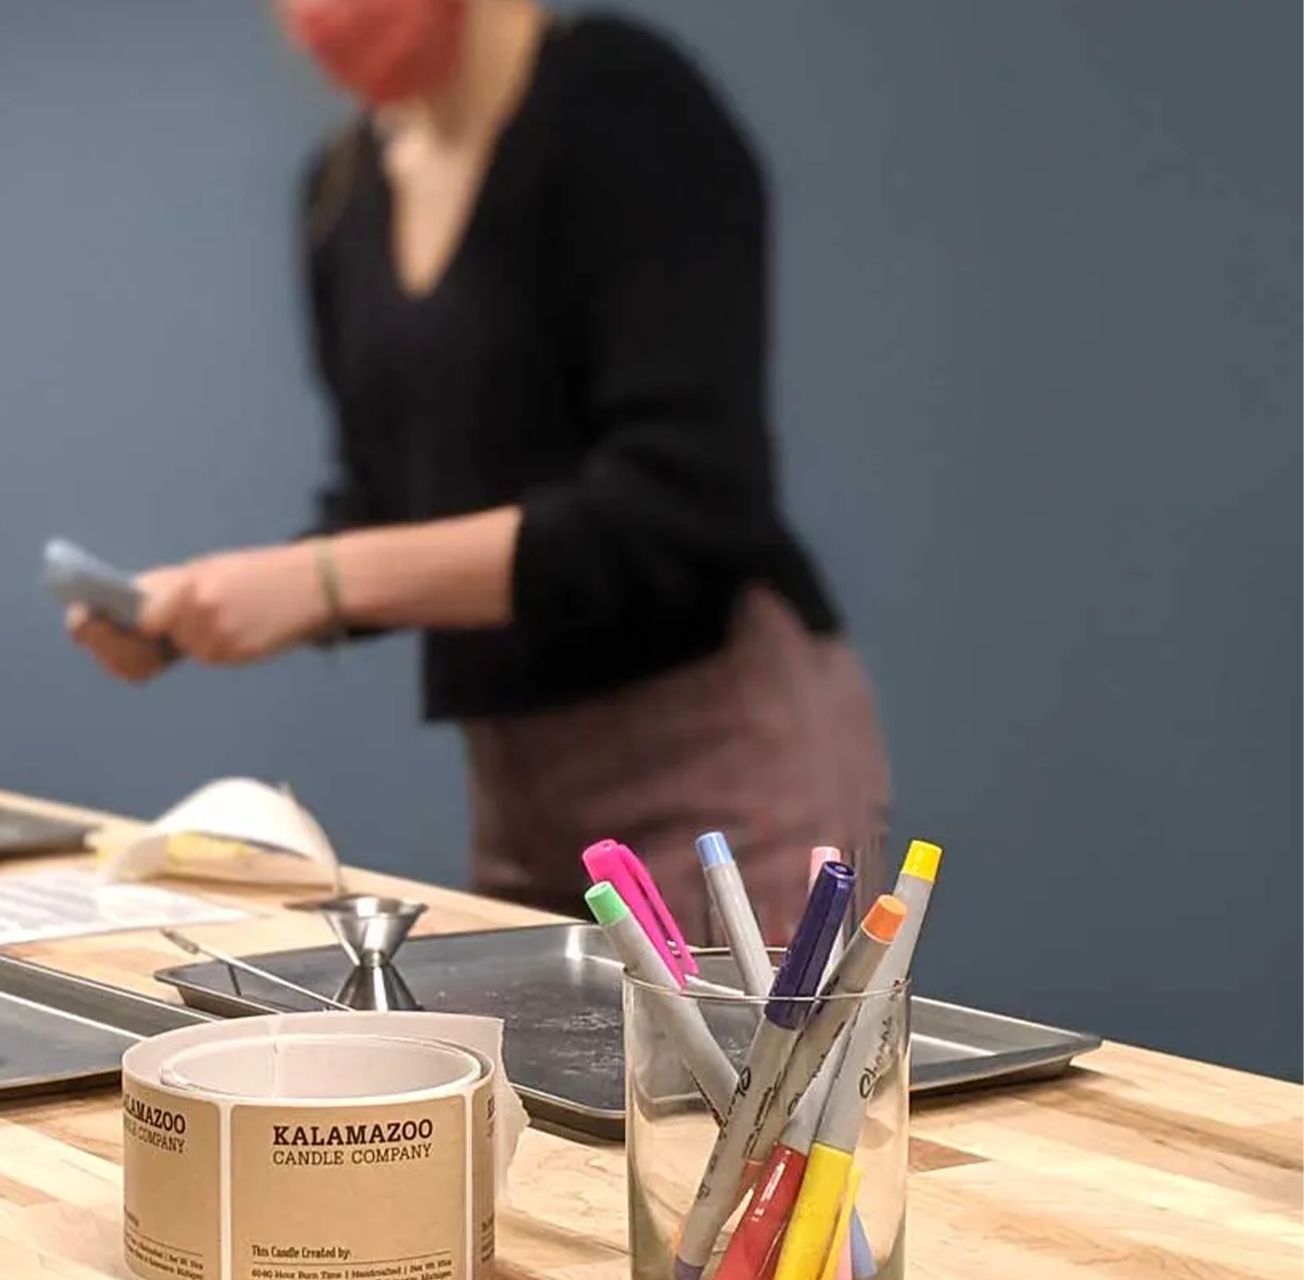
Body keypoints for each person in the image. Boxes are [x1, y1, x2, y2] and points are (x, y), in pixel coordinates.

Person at [67, 0, 889, 944]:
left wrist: (318, 582)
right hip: (515, 788)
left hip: (719, 776)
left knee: (753, 1087)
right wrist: (198, 607)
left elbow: (680, 505)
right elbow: (388, 501)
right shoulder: (344, 193)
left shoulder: (623, 106)